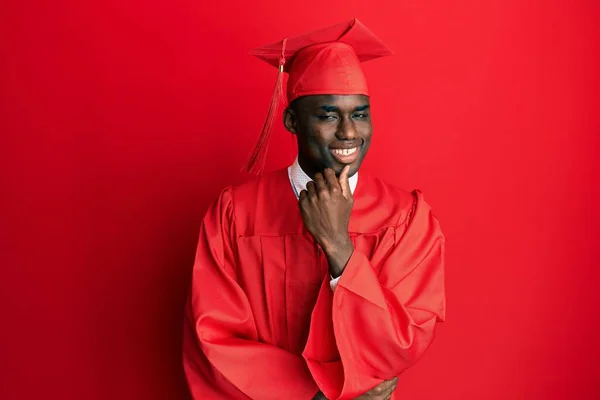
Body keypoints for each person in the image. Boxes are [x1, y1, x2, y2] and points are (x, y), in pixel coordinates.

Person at [182, 18, 446, 400]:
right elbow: (213, 339)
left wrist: (338, 244)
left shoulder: (405, 218)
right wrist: (323, 395)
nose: (349, 132)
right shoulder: (234, 214)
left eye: (359, 113)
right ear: (292, 121)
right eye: (327, 115)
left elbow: (403, 340)